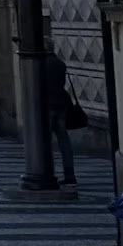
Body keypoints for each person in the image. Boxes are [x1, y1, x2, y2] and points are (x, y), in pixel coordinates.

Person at [44, 45, 78, 186]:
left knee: (44, 142)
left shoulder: (41, 64)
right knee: (64, 141)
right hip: (62, 104)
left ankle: (46, 172)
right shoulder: (60, 63)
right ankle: (69, 174)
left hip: (47, 106)